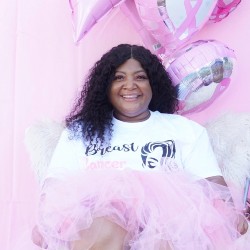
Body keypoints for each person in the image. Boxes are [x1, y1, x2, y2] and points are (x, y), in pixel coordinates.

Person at [32, 44, 249, 250]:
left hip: (168, 224)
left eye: (140, 77)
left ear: (153, 84)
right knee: (104, 224)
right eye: (118, 78)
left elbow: (212, 183)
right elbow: (54, 187)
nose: (130, 85)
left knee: (163, 234)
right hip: (98, 225)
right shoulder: (79, 133)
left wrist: (231, 215)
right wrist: (47, 224)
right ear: (105, 87)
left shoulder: (184, 130)